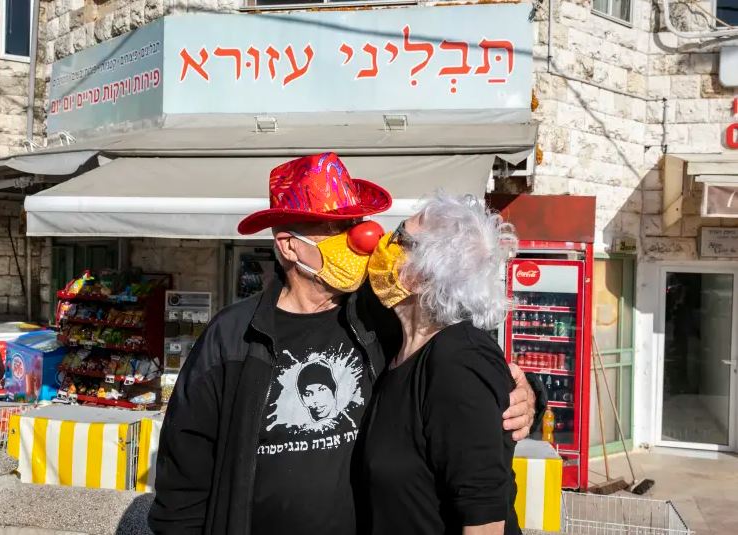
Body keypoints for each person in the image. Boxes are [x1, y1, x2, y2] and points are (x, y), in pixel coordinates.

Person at [147, 152, 542, 535]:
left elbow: (464, 374)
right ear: (289, 245)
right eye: (336, 228)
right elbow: (185, 472)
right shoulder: (232, 336)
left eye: (355, 220)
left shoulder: (384, 317)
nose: (361, 237)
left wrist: (528, 395)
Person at [357, 192, 521, 535]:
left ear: (420, 274)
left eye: (399, 237)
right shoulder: (401, 349)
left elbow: (484, 521)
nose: (382, 243)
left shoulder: (457, 361)